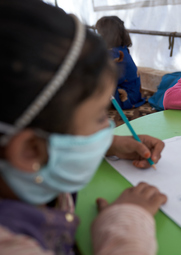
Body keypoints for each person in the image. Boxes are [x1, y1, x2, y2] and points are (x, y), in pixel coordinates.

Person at [0, 1, 166, 254]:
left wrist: (109, 144)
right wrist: (128, 222)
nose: (109, 125)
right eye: (100, 116)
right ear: (30, 150)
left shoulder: (27, 168)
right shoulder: (14, 245)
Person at [96, 16, 146, 110]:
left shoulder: (113, 54)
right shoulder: (121, 49)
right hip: (135, 94)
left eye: (99, 32)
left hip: (127, 97)